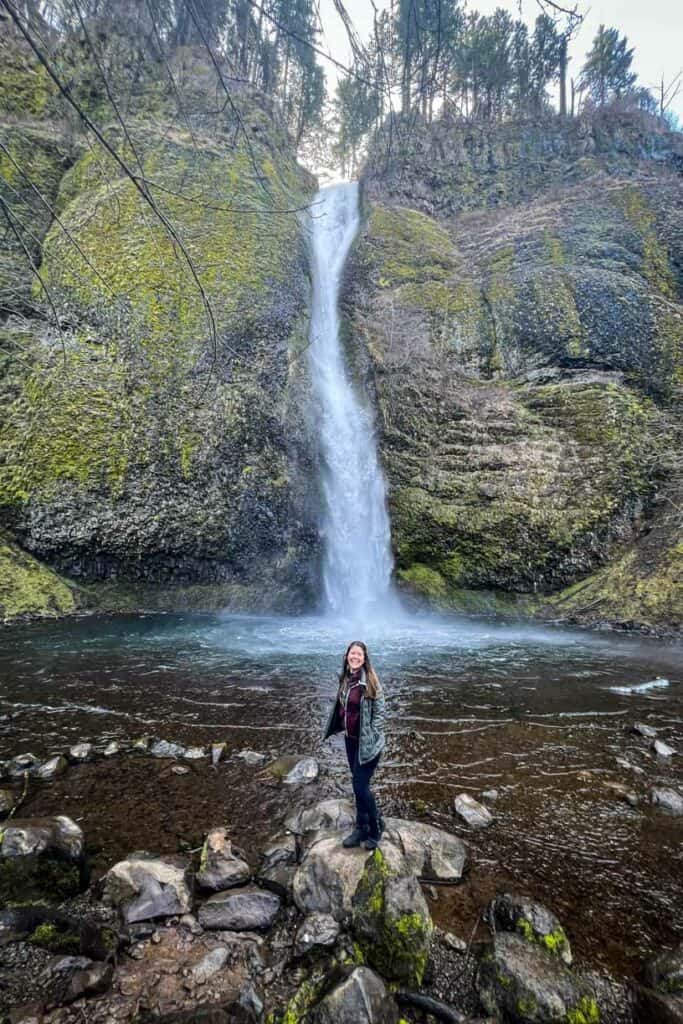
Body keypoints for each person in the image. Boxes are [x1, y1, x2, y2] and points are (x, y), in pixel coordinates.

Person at [322, 640, 386, 850]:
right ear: (347, 656)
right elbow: (342, 708)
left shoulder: (371, 682)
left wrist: (372, 735)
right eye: (352, 653)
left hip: (368, 744)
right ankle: (361, 828)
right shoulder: (346, 679)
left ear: (364, 658)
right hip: (351, 741)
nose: (355, 656)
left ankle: (375, 829)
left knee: (360, 786)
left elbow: (380, 715)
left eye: (359, 654)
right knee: (358, 787)